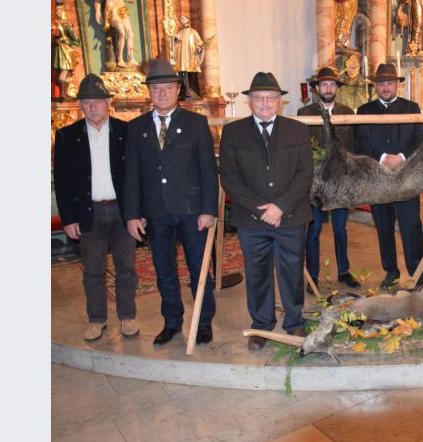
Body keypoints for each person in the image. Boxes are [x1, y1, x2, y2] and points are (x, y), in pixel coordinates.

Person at [124, 59, 218, 346]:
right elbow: (132, 175)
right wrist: (133, 213)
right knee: (164, 270)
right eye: (156, 88)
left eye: (167, 87)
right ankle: (172, 322)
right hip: (156, 213)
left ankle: (203, 321)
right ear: (149, 92)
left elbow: (207, 170)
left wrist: (208, 210)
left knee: (197, 269)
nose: (162, 93)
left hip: (192, 212)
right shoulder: (136, 128)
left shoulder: (196, 123)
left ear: (178, 89)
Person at [219, 72, 313, 351]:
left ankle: (294, 320)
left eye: (270, 98)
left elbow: (305, 174)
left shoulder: (297, 130)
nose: (264, 103)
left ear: (279, 102)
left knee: (292, 270)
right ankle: (261, 324)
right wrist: (262, 210)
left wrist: (281, 206)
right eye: (258, 98)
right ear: (250, 101)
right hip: (252, 219)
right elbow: (230, 177)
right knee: (257, 272)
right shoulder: (234, 132)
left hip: (291, 216)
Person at [54, 74, 138, 342]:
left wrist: (138, 212)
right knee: (92, 270)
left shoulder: (127, 132)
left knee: (126, 267)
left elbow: (138, 176)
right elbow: (62, 181)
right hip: (88, 213)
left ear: (108, 103)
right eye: (87, 102)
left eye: (98, 101)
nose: (93, 107)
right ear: (80, 105)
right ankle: (96, 319)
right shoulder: (67, 136)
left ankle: (128, 317)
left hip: (122, 212)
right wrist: (68, 218)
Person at [354, 63, 423, 290]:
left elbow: (420, 140)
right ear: (375, 86)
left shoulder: (412, 108)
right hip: (378, 181)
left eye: (389, 82)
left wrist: (402, 157)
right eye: (381, 83)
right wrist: (381, 160)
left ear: (398, 84)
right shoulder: (364, 111)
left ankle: (418, 274)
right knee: (383, 227)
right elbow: (359, 143)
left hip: (405, 179)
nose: (385, 87)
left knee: (411, 226)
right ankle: (391, 271)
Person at [298, 67, 360, 292]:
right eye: (324, 84)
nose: (328, 88)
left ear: (337, 89)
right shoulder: (304, 113)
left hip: (341, 183)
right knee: (313, 231)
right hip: (316, 184)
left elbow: (352, 147)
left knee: (340, 229)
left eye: (332, 84)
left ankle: (343, 271)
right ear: (316, 89)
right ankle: (312, 276)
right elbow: (302, 149)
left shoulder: (347, 112)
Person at [52, 4, 81, 100]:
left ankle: (65, 93)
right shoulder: (56, 25)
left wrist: (70, 35)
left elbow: (75, 40)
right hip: (62, 50)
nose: (59, 13)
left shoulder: (65, 25)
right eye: (57, 12)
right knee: (64, 70)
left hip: (67, 50)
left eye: (60, 12)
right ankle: (62, 93)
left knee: (68, 72)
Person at [94, 0, 135, 67]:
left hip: (122, 9)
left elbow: (131, 1)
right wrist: (98, 12)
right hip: (113, 11)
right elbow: (99, 2)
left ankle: (131, 58)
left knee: (130, 34)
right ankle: (120, 59)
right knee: (122, 33)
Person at [173, 15, 204, 99]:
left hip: (191, 59)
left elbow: (200, 43)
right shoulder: (180, 33)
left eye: (183, 18)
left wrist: (199, 48)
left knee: (191, 76)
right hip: (181, 60)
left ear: (187, 20)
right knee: (182, 77)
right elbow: (174, 47)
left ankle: (193, 93)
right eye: (181, 19)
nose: (182, 20)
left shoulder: (193, 32)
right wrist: (175, 40)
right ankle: (183, 95)